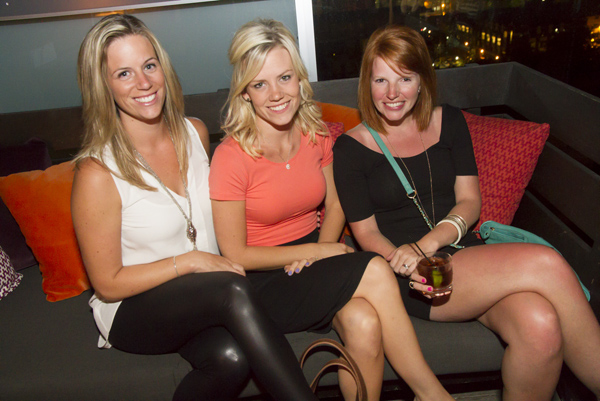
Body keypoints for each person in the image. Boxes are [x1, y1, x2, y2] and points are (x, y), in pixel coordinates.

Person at [333, 25, 600, 401]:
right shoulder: (351, 148)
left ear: (422, 81)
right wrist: (409, 260)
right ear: (367, 83)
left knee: (540, 326)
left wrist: (428, 244)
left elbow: (470, 202)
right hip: (411, 276)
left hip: (463, 252)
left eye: (405, 78)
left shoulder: (450, 122)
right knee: (547, 263)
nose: (392, 93)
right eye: (381, 80)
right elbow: (366, 234)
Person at [70, 14, 323, 401]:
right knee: (233, 288)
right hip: (133, 309)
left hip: (204, 295)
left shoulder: (194, 132)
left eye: (149, 66)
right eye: (123, 74)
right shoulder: (97, 172)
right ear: (103, 86)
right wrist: (189, 262)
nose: (144, 83)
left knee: (230, 358)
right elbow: (107, 283)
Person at [209, 18, 455, 401]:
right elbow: (235, 253)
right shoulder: (231, 157)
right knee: (374, 267)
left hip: (315, 260)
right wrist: (318, 252)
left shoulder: (315, 133)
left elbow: (336, 202)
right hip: (262, 281)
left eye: (285, 78)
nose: (276, 94)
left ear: (299, 79)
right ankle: (433, 395)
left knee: (364, 323)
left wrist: (319, 252)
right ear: (245, 93)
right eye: (260, 84)